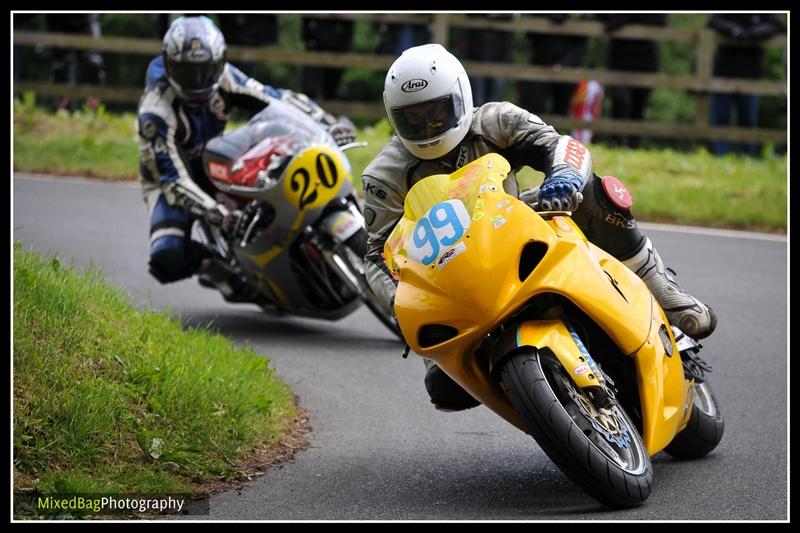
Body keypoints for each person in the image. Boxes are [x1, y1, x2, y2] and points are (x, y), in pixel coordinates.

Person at [361, 44, 717, 411]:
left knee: (596, 191)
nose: (428, 126)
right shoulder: (383, 176)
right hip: (447, 275)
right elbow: (376, 255)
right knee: (445, 388)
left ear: (460, 97)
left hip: (513, 222)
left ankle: (661, 290)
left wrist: (562, 178)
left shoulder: (496, 120)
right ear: (394, 117)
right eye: (413, 118)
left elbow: (560, 145)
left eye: (436, 112)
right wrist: (403, 305)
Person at [136, 16, 356, 292]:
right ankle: (217, 270)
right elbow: (171, 179)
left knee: (267, 195)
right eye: (188, 72)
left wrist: (327, 121)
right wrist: (215, 213)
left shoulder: (225, 76)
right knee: (166, 256)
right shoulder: (155, 110)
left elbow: (274, 97)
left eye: (206, 70)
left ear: (218, 61)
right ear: (169, 66)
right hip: (169, 179)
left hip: (214, 155)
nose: (200, 81)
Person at [707, 14, 784, 156]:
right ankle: (720, 154)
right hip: (724, 71)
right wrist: (733, 30)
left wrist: (754, 34)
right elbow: (713, 21)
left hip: (751, 74)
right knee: (720, 117)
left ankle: (747, 154)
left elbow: (777, 26)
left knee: (747, 119)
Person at [595, 14, 667, 148]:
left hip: (646, 61)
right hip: (618, 59)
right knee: (620, 101)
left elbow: (660, 20)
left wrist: (623, 19)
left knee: (638, 107)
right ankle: (615, 143)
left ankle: (633, 146)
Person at [43, 13, 106, 110]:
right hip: (57, 18)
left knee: (93, 63)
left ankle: (93, 109)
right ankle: (62, 111)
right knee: (61, 68)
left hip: (86, 16)